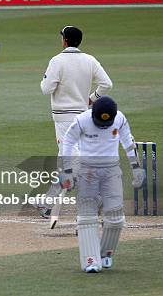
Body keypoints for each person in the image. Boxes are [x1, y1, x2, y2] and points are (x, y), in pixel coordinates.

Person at [60, 96, 144, 273]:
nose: (104, 126)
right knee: (87, 217)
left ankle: (105, 253)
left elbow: (128, 142)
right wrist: (67, 171)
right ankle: (90, 260)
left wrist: (136, 167)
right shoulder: (82, 120)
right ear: (93, 115)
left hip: (111, 171)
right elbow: (67, 142)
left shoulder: (119, 118)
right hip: (87, 171)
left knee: (115, 218)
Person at [39, 26, 113, 223]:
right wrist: (91, 99)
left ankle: (96, 198)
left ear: (64, 41)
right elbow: (107, 84)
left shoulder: (57, 60)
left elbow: (46, 89)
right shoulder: (90, 60)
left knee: (71, 161)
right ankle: (48, 203)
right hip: (83, 116)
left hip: (64, 119)